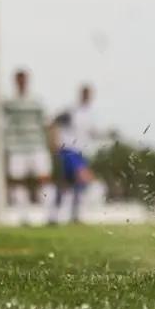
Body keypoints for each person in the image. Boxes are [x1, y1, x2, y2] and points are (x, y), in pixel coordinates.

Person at [2, 69, 54, 221]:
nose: (22, 82)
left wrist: (52, 141)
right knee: (18, 181)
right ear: (15, 81)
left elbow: (46, 123)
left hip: (37, 146)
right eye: (19, 79)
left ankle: (49, 215)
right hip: (17, 148)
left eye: (24, 79)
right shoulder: (9, 103)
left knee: (44, 178)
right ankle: (23, 217)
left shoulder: (36, 101)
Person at [50, 83, 97, 224]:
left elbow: (90, 132)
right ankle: (59, 215)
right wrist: (55, 141)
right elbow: (54, 122)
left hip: (81, 151)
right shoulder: (71, 110)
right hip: (69, 150)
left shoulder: (89, 113)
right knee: (83, 178)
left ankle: (70, 216)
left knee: (69, 185)